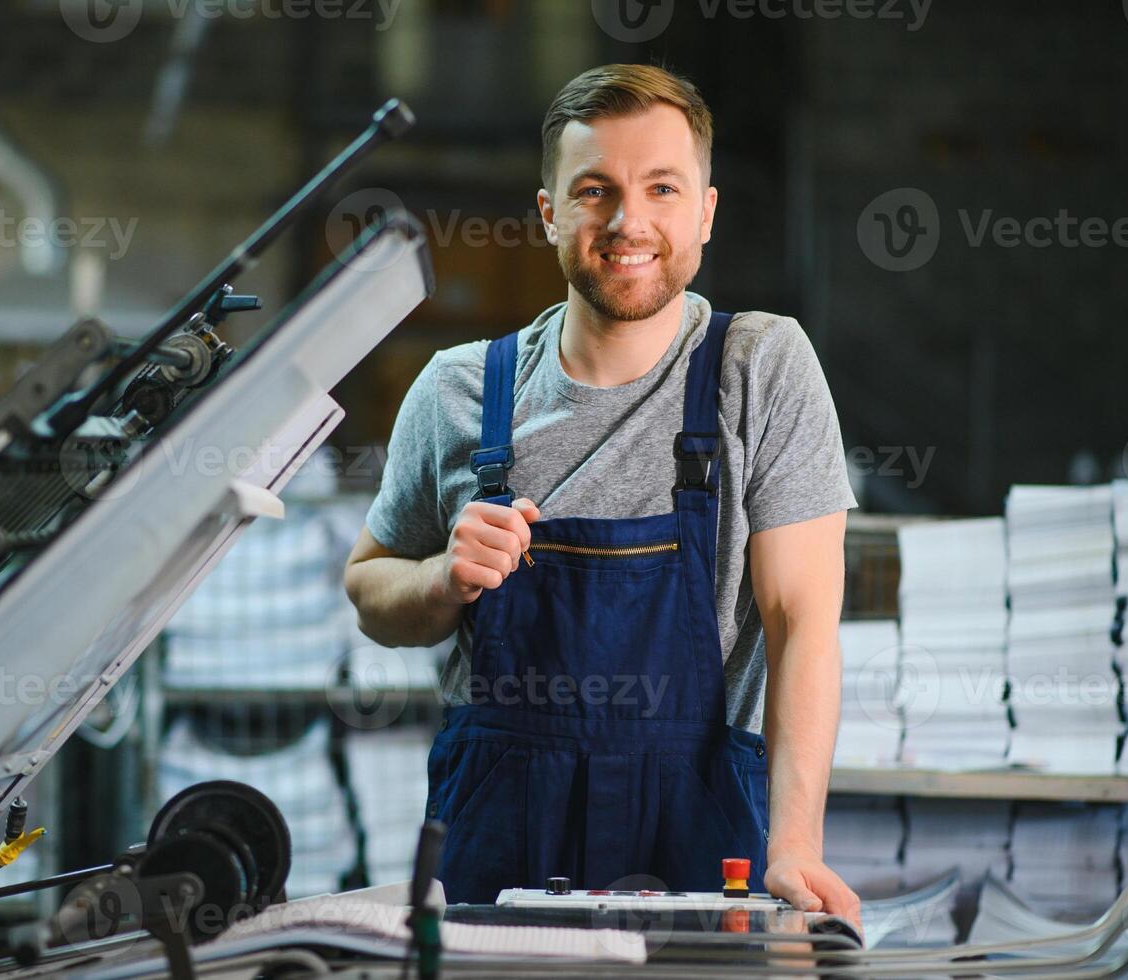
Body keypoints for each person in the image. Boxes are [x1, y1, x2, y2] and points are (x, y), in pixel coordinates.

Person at [344, 63, 861, 926]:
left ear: (704, 209)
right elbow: (369, 590)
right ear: (548, 212)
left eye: (662, 187)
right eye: (595, 190)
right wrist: (442, 577)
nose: (629, 222)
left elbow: (802, 622)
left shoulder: (760, 368)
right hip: (499, 837)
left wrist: (795, 843)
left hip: (701, 836)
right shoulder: (458, 389)